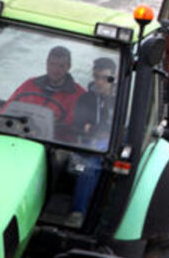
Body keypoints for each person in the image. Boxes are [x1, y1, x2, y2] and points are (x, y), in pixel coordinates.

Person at [69, 57, 117, 223]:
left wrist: (95, 129)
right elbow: (79, 124)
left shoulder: (121, 102)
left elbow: (120, 129)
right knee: (87, 163)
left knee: (90, 165)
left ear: (113, 78)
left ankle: (79, 212)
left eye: (104, 78)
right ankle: (76, 213)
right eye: (96, 77)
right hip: (86, 145)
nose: (99, 82)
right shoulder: (86, 99)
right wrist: (91, 130)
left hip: (112, 147)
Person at [7, 46, 85, 131]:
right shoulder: (29, 84)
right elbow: (8, 107)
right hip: (20, 133)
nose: (55, 69)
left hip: (55, 141)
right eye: (52, 64)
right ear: (47, 63)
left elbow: (78, 127)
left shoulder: (79, 95)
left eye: (61, 66)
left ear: (69, 67)